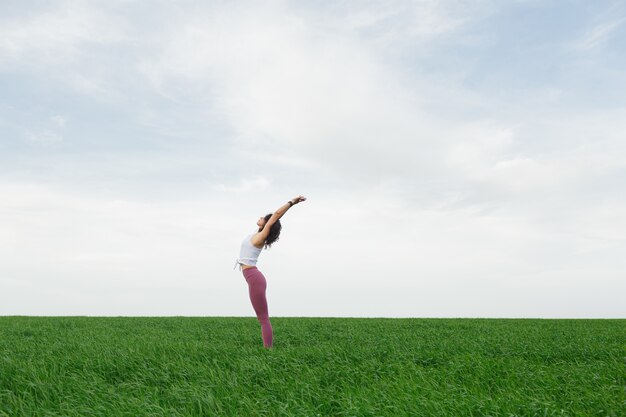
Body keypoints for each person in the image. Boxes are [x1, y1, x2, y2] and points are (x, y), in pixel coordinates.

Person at [235, 195, 307, 348]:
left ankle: (268, 351)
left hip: (254, 278)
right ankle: (268, 348)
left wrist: (292, 202)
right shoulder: (256, 233)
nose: (260, 217)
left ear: (267, 224)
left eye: (264, 218)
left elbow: (276, 215)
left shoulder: (261, 236)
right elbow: (270, 220)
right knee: (262, 318)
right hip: (252, 277)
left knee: (263, 318)